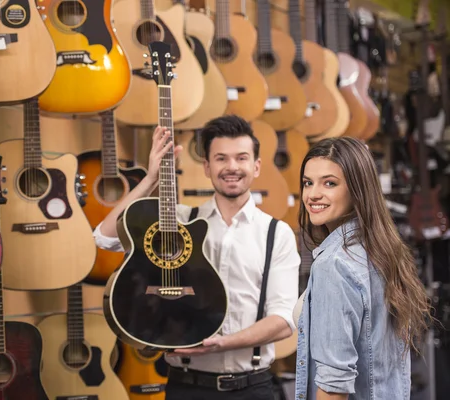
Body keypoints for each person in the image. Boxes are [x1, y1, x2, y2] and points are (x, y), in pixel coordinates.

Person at [93, 115, 300, 399]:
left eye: (241, 158)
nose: (231, 167)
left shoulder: (277, 234)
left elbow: (283, 320)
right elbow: (105, 237)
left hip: (253, 388)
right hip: (186, 387)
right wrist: (151, 178)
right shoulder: (178, 223)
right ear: (206, 167)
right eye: (220, 158)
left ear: (256, 166)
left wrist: (223, 344)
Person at [294, 137, 431, 400]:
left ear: (357, 189)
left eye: (329, 183)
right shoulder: (381, 248)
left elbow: (334, 386)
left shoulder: (333, 263)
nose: (312, 194)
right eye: (308, 183)